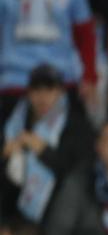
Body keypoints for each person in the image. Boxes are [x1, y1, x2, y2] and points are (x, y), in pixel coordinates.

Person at [1, 65, 94, 224]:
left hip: (56, 213)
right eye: (37, 90)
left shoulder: (75, 123)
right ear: (29, 93)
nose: (43, 97)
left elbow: (78, 173)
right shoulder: (13, 119)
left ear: (60, 92)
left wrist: (43, 151)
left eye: (49, 90)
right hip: (10, 207)